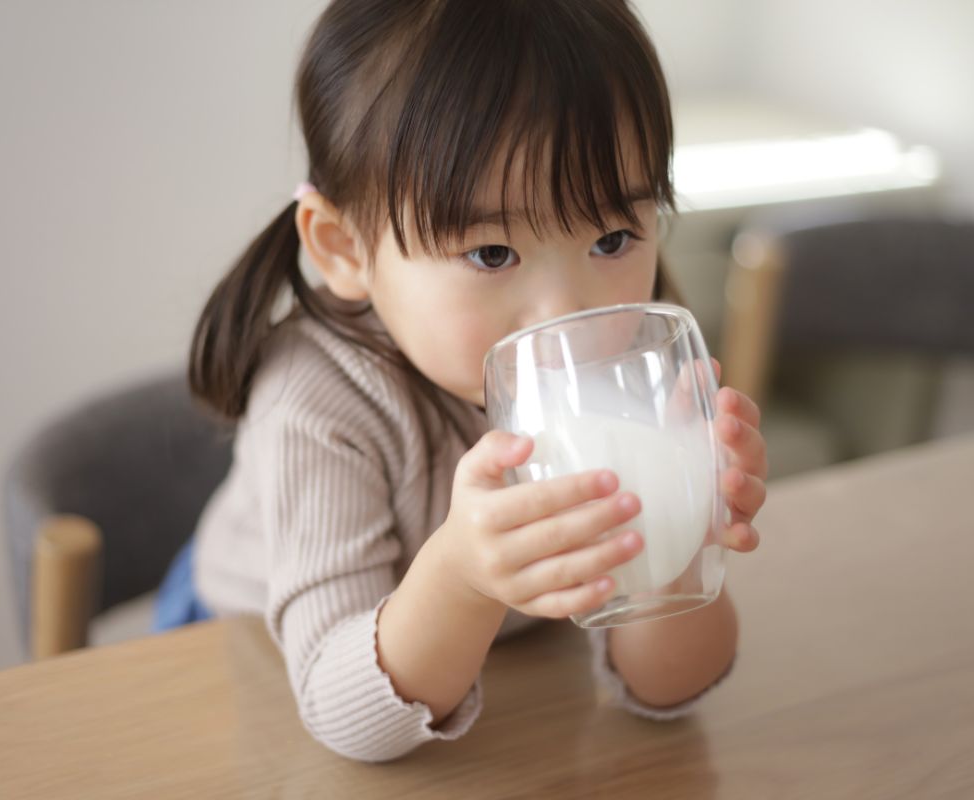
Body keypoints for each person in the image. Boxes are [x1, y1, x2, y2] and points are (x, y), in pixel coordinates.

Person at [156, 0, 768, 762]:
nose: (567, 310)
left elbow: (671, 693)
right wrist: (460, 580)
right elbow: (344, 716)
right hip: (249, 655)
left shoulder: (634, 348)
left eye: (612, 238)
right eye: (490, 254)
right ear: (345, 247)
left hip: (499, 661)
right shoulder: (315, 402)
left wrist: (678, 542)